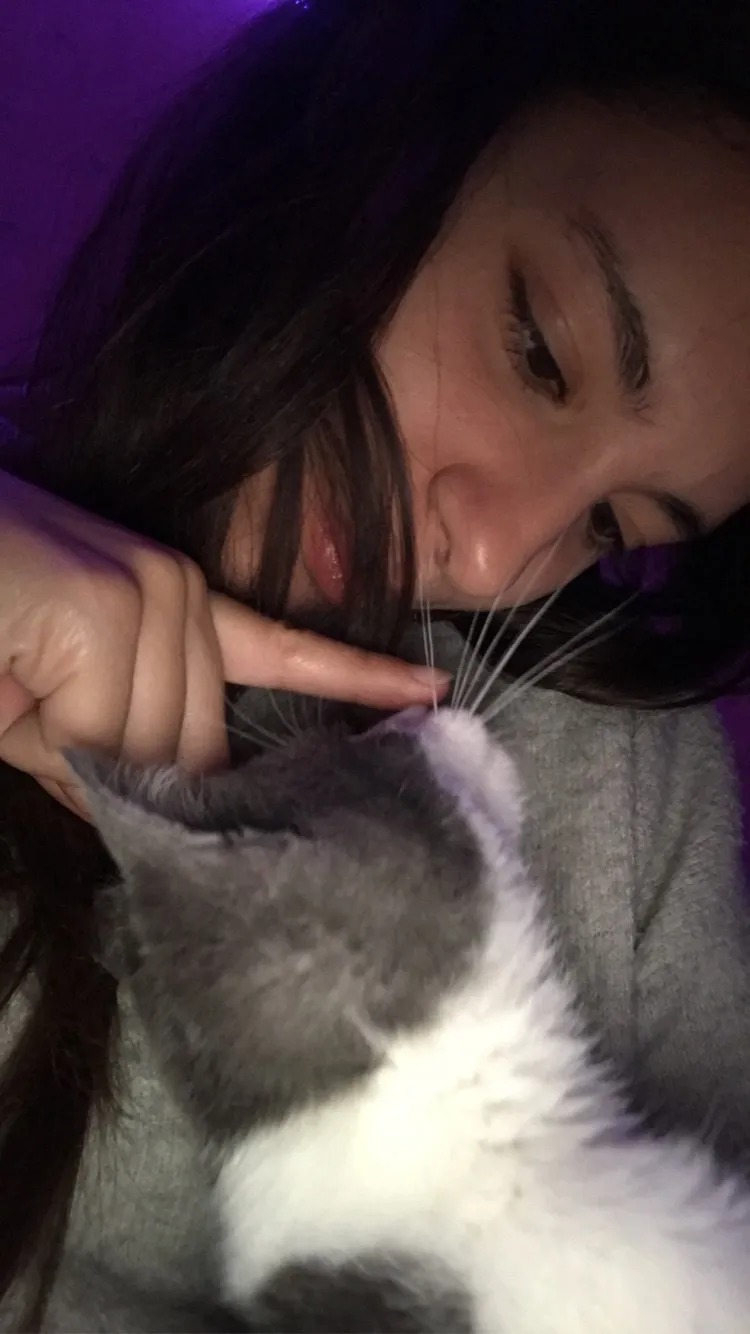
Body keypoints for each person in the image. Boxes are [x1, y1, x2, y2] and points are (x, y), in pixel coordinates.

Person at [1, 0, 750, 1325]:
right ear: (376, 140)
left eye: (610, 528)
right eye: (538, 350)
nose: (497, 550)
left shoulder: (619, 773)